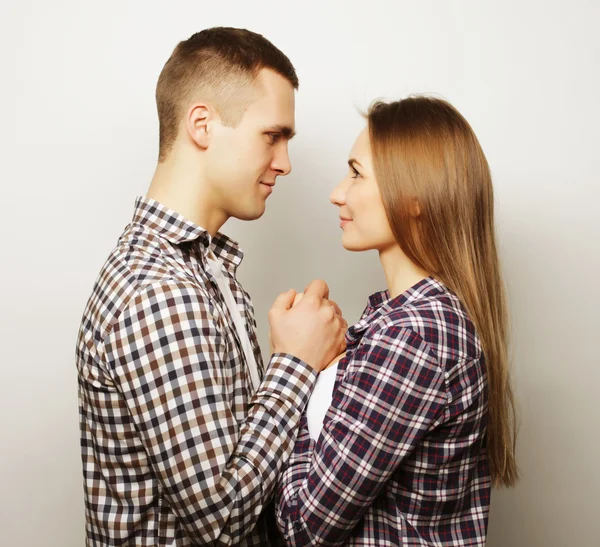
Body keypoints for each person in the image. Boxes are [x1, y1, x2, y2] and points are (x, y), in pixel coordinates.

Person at [75, 27, 346, 547]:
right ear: (203, 124)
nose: (286, 163)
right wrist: (297, 364)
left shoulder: (206, 268)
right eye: (273, 135)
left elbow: (243, 460)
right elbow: (221, 520)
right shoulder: (156, 289)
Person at [275, 96, 518, 546]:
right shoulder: (404, 320)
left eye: (356, 173)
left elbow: (304, 527)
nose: (337, 192)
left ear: (415, 198)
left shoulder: (413, 336)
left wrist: (294, 366)